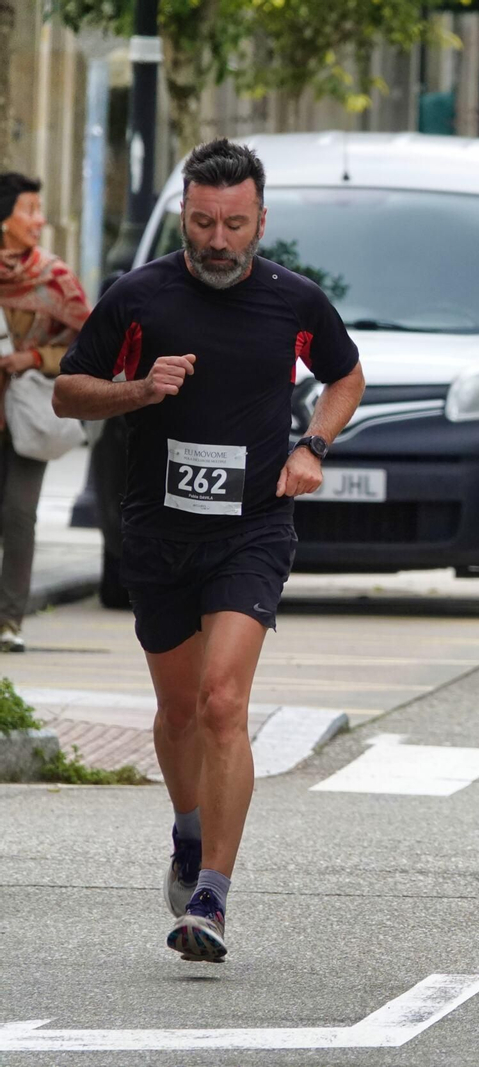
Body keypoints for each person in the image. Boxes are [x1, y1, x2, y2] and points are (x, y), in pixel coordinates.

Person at [53, 139, 366, 962]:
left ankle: (212, 898)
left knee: (224, 701)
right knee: (179, 711)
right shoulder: (139, 296)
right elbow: (67, 390)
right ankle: (188, 831)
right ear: (184, 217)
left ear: (261, 219)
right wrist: (139, 388)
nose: (217, 240)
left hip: (251, 527)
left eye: (233, 223)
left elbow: (346, 377)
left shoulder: (294, 300)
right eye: (201, 223)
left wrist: (314, 447)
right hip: (157, 531)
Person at [0, 173, 90, 652]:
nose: (40, 221)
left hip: (30, 415)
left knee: (19, 514)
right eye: (30, 210)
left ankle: (8, 622)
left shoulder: (54, 278)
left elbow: (89, 343)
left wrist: (33, 358)